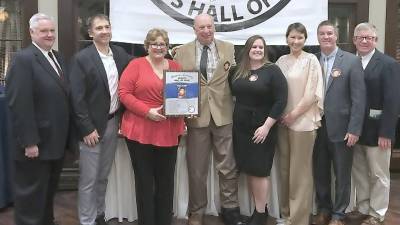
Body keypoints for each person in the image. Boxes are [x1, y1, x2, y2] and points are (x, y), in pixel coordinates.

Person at [174, 13, 243, 225]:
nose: (206, 31)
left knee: (228, 165)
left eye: (209, 27)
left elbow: (237, 79)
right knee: (197, 168)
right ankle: (196, 211)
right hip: (195, 117)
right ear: (194, 29)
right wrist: (180, 111)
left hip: (224, 114)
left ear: (215, 27)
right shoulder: (180, 52)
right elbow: (177, 86)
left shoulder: (229, 48)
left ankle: (230, 209)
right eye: (201, 27)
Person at [6, 13, 70, 225]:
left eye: (52, 30)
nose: (49, 34)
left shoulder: (57, 57)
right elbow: (19, 104)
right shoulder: (23, 60)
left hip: (54, 144)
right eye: (44, 31)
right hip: (35, 146)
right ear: (32, 32)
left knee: (46, 196)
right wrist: (30, 142)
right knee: (30, 199)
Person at [69, 14, 131, 225]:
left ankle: (99, 214)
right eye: (99, 28)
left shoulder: (120, 54)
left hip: (112, 123)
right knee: (89, 179)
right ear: (91, 33)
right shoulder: (82, 59)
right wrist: (86, 128)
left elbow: (142, 65)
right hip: (91, 129)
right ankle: (87, 220)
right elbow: (76, 99)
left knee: (103, 175)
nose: (104, 31)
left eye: (107, 27)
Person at [118, 28, 185, 225]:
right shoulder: (135, 65)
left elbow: (183, 95)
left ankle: (164, 221)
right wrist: (147, 112)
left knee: (166, 182)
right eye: (154, 44)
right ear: (147, 46)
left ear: (167, 46)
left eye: (162, 44)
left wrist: (186, 111)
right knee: (144, 182)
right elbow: (124, 93)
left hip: (169, 131)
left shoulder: (175, 66)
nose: (158, 47)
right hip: (140, 131)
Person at [229, 35, 287, 225]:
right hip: (241, 129)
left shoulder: (273, 71)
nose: (257, 50)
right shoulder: (237, 71)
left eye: (261, 47)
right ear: (247, 49)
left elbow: (281, 101)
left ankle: (261, 214)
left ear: (265, 50)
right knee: (248, 169)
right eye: (254, 46)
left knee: (260, 170)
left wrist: (267, 126)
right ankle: (258, 211)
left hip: (262, 128)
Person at [312, 20, 366, 225]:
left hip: (343, 129)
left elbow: (359, 100)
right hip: (316, 127)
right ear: (317, 37)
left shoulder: (352, 61)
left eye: (329, 33)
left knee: (342, 173)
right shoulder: (313, 60)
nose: (326, 37)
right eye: (322, 33)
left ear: (336, 36)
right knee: (320, 171)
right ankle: (324, 209)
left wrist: (354, 129)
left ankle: (339, 214)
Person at [349, 22, 400, 225]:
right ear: (354, 40)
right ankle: (363, 208)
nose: (364, 40)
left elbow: (393, 100)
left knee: (379, 175)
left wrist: (387, 132)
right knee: (360, 172)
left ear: (375, 40)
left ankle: (377, 213)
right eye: (360, 37)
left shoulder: (388, 64)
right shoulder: (351, 62)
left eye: (368, 37)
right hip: (356, 131)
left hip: (379, 131)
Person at [275, 23, 323, 225]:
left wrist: (293, 115)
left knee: (300, 173)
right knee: (284, 170)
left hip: (303, 123)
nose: (296, 41)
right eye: (292, 37)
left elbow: (312, 93)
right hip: (282, 123)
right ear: (286, 38)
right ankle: (286, 215)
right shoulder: (280, 61)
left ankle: (299, 219)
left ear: (305, 40)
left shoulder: (311, 60)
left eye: (300, 38)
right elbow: (275, 90)